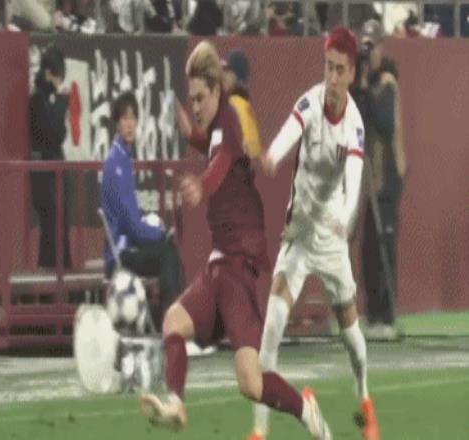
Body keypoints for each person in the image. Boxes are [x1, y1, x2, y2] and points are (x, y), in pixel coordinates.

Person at [139, 40, 331, 440]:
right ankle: (175, 405)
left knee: (251, 383)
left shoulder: (229, 117)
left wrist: (201, 186)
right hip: (221, 264)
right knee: (174, 322)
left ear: (216, 90)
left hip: (241, 266)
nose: (195, 105)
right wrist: (188, 129)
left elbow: (222, 161)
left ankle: (304, 409)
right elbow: (209, 143)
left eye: (199, 98)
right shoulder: (215, 126)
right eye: (190, 98)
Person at [247, 27, 380, 440]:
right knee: (272, 326)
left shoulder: (354, 126)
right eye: (328, 67)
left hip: (332, 240)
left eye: (340, 70)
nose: (332, 78)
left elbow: (353, 180)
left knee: (352, 340)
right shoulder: (310, 102)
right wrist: (272, 155)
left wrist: (347, 217)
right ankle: (259, 431)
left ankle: (364, 400)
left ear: (352, 74)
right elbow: (291, 129)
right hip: (300, 234)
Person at [100, 91, 184, 330]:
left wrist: (156, 231)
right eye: (124, 118)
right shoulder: (116, 164)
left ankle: (175, 323)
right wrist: (161, 233)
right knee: (167, 252)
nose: (129, 124)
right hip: (120, 255)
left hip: (127, 247)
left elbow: (133, 220)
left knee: (169, 251)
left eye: (133, 118)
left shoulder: (123, 158)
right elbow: (133, 227)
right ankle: (174, 327)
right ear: (117, 123)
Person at [352, 19, 406, 341]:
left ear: (381, 48)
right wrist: (358, 85)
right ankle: (372, 314)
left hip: (388, 179)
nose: (368, 54)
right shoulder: (365, 85)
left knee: (385, 247)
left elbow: (384, 123)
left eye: (372, 47)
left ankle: (387, 315)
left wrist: (365, 91)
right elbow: (356, 118)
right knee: (369, 251)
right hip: (370, 183)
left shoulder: (387, 83)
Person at [29, 45, 72, 269]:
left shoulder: (48, 99)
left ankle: (59, 277)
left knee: (58, 230)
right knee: (51, 231)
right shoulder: (37, 100)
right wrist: (62, 103)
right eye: (57, 76)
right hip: (44, 178)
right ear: (48, 73)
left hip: (55, 174)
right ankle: (50, 280)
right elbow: (53, 133)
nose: (59, 81)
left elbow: (60, 133)